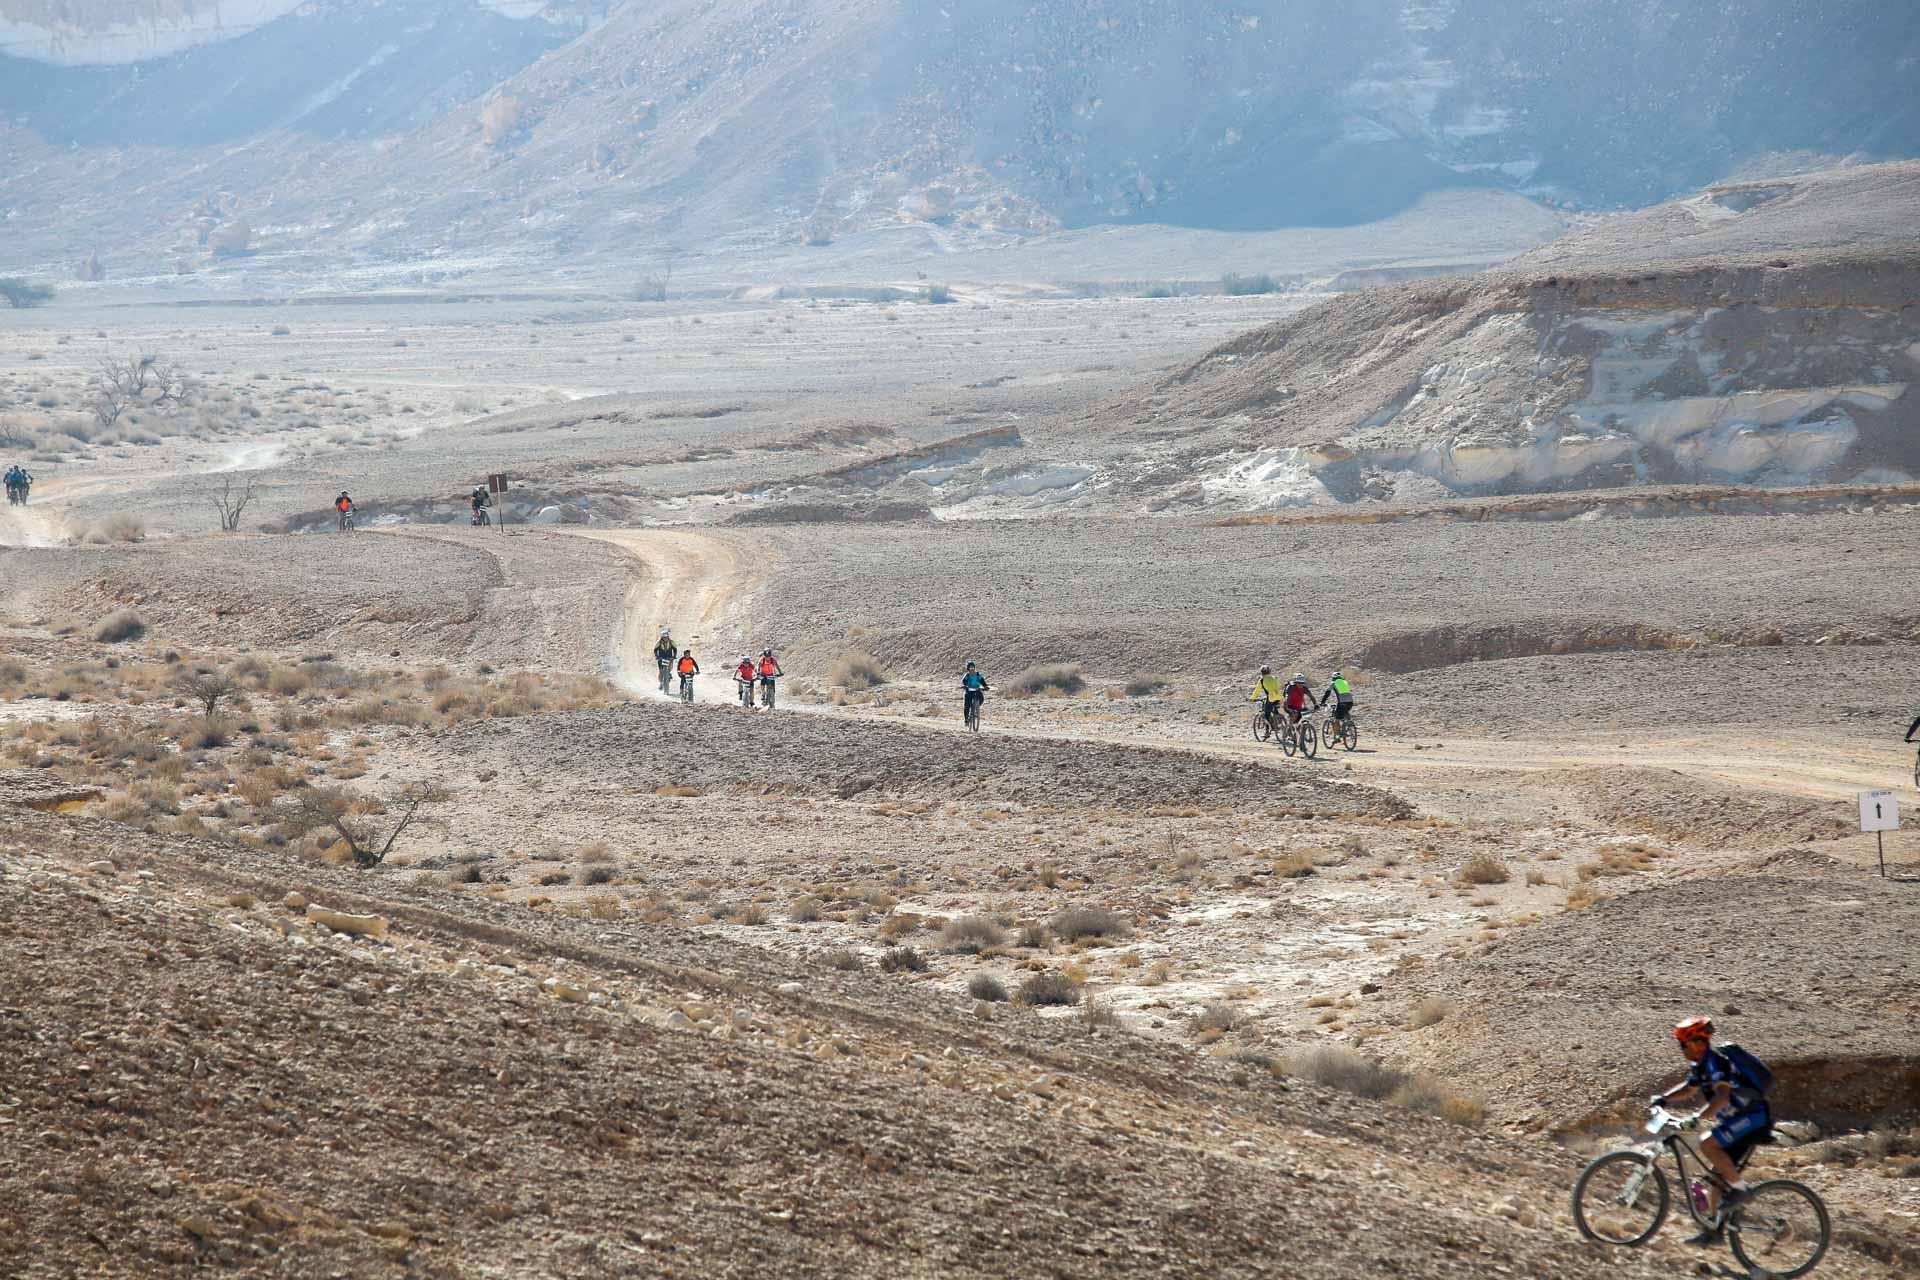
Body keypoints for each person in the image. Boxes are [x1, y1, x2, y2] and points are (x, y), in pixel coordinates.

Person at [1650, 1016, 1772, 1243]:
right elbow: (1689, 1089)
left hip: (1752, 1118)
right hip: (1738, 1122)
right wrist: (1663, 1100)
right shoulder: (1701, 1064)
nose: (1681, 1049)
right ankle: (1714, 1232)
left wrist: (1697, 1117)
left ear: (1697, 1043)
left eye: (1683, 1044)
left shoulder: (1715, 1063)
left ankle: (1741, 1190)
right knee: (1717, 1179)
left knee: (1708, 1143)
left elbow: (1723, 1096)